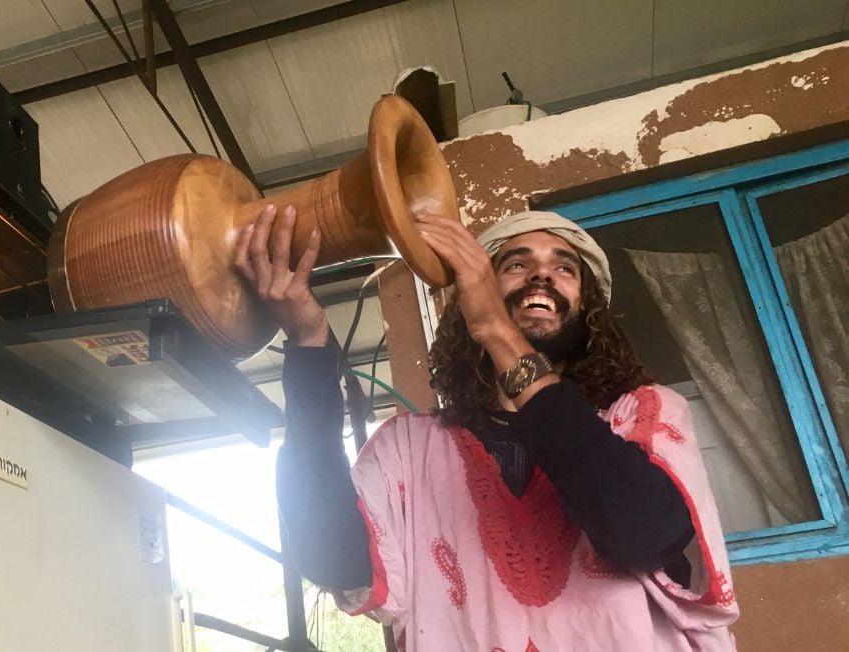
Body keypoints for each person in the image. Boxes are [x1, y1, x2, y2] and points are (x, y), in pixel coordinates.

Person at [234, 205, 739, 651]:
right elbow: (332, 559)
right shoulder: (410, 446)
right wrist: (306, 342)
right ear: (474, 297)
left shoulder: (644, 414)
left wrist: (498, 330)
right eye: (516, 263)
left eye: (565, 268)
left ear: (588, 309)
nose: (541, 275)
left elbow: (645, 536)